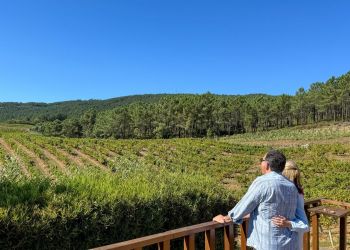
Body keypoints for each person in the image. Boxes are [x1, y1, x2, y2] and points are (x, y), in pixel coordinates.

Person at [213, 150, 308, 250]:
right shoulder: (291, 186)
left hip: (268, 244)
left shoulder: (262, 182)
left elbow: (246, 204)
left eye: (261, 160)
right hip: (290, 244)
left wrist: (228, 217)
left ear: (267, 164)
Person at [271, 160, 309, 250]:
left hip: (291, 241)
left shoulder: (296, 194)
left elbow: (305, 225)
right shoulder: (291, 191)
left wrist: (288, 223)